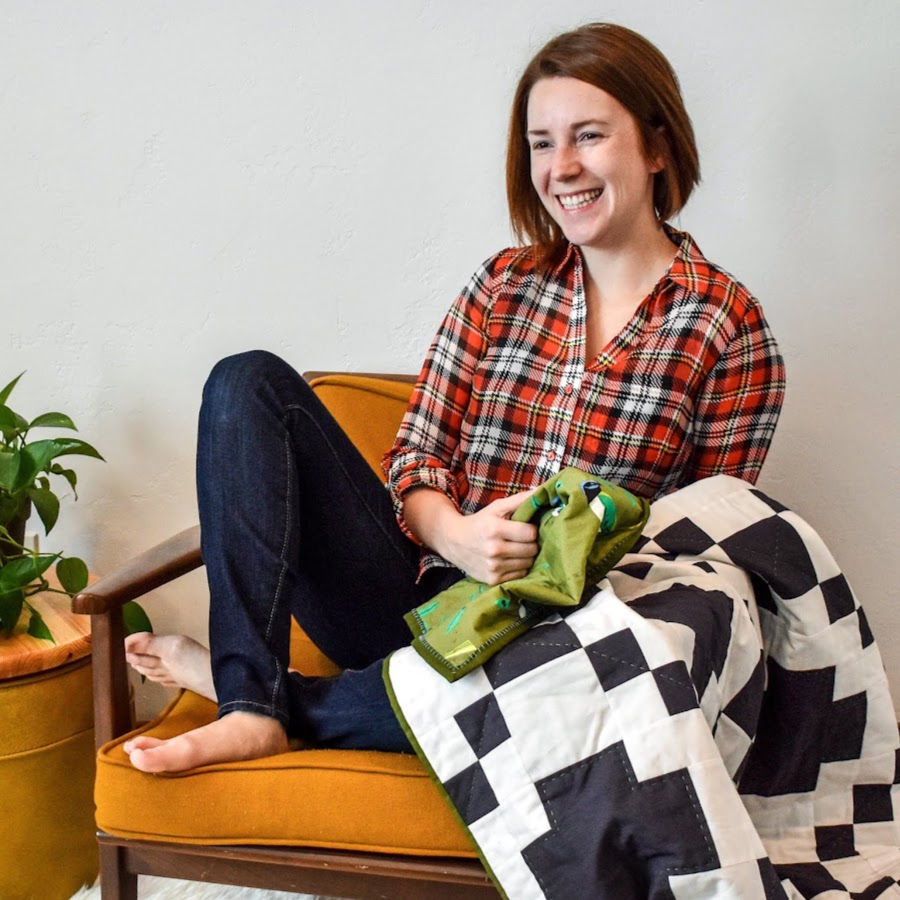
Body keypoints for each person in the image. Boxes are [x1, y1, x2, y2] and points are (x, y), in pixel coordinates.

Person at [123, 22, 785, 773]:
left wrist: (564, 563)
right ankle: (251, 704)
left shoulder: (729, 327)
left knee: (534, 706)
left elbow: (706, 552)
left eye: (589, 136)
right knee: (245, 380)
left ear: (657, 146)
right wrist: (458, 537)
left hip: (552, 651)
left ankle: (262, 697)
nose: (562, 167)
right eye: (541, 142)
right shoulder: (501, 285)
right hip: (408, 599)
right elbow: (416, 456)